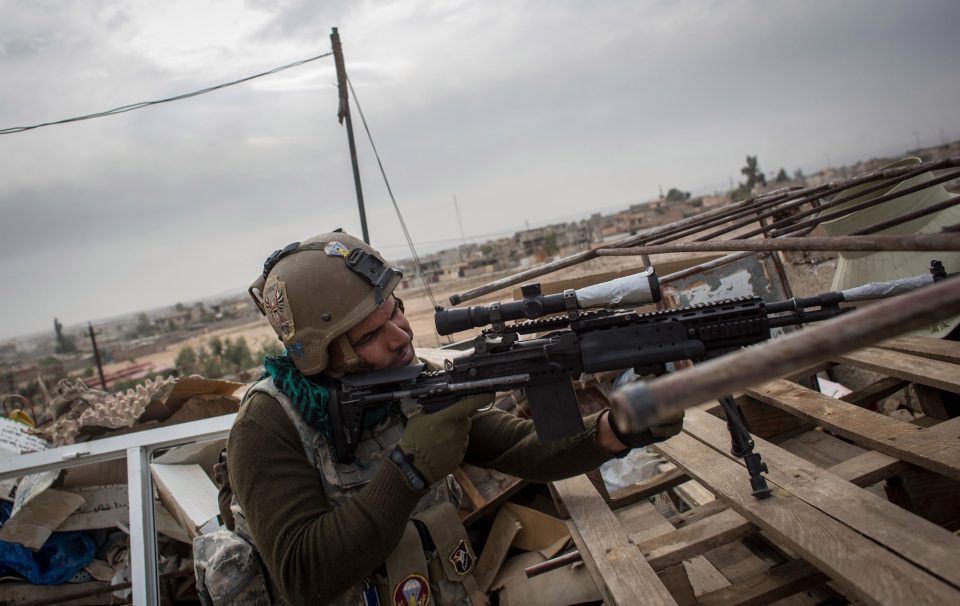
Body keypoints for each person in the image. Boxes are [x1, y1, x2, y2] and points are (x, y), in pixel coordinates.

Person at [193, 230, 683, 606]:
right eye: (369, 336)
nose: (400, 336)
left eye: (395, 311)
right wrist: (409, 470)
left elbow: (517, 446)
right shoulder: (266, 425)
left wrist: (617, 430)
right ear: (322, 356)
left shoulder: (410, 379)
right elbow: (303, 575)